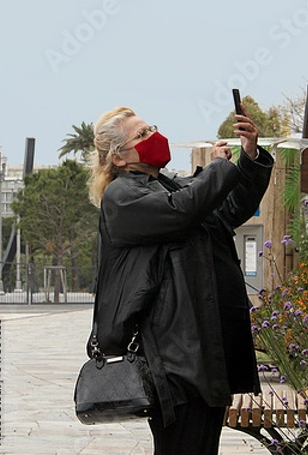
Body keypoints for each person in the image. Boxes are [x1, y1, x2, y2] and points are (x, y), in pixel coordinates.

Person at [87, 105, 274, 454]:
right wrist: (218, 168)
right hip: (175, 358)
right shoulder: (122, 197)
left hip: (202, 350)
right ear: (119, 158)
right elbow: (184, 209)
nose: (153, 137)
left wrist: (248, 157)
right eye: (141, 135)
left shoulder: (166, 186)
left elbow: (228, 209)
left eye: (150, 128)